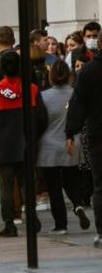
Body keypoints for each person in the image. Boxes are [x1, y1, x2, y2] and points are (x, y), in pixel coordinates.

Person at [0, 49, 48, 237]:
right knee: (27, 184)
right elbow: (42, 118)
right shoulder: (32, 90)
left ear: (2, 68)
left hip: (2, 148)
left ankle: (9, 223)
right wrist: (34, 136)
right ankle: (32, 218)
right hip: (26, 145)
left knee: (7, 187)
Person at [38, 59, 91, 234]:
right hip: (71, 143)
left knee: (54, 188)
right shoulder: (75, 94)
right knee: (72, 181)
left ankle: (61, 224)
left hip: (48, 146)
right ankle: (78, 205)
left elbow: (40, 121)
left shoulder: (44, 96)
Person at [64, 43, 102, 248]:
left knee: (100, 185)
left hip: (97, 135)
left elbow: (77, 103)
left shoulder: (87, 72)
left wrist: (71, 132)